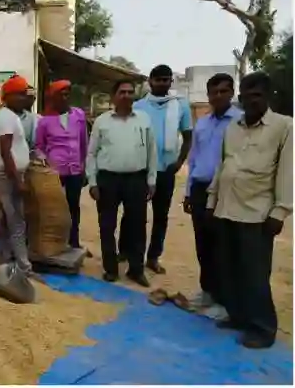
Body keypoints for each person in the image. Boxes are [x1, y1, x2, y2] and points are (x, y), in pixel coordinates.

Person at [208, 72, 292, 349]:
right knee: (230, 269)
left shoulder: (284, 127)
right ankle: (239, 316)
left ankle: (263, 328)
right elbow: (223, 166)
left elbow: (287, 173)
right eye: (245, 95)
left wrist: (280, 211)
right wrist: (212, 202)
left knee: (255, 274)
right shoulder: (233, 126)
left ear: (268, 96)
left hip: (257, 214)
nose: (250, 100)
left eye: (256, 95)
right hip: (226, 208)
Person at [86, 80, 157, 287]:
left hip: (136, 179)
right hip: (108, 179)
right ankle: (110, 269)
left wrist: (151, 179)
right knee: (107, 225)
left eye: (129, 92)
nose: (126, 95)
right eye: (121, 92)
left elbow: (151, 151)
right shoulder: (102, 121)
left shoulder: (143, 120)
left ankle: (136, 269)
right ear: (113, 96)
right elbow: (91, 153)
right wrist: (92, 181)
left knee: (137, 225)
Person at [182, 73, 242, 317]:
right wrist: (187, 192)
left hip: (226, 192)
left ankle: (225, 300)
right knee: (203, 244)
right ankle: (207, 292)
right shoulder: (203, 123)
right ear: (208, 95)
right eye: (214, 92)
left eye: (224, 91)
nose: (218, 96)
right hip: (199, 189)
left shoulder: (240, 122)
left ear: (232, 93)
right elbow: (194, 158)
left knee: (224, 246)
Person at [123, 64, 192, 274]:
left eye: (166, 79)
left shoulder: (180, 106)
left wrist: (179, 162)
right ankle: (125, 250)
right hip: (141, 169)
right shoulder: (139, 106)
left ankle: (153, 257)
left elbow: (188, 136)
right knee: (133, 214)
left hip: (166, 170)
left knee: (160, 216)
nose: (162, 83)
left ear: (171, 82)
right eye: (158, 79)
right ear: (150, 81)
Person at [0, 75, 37, 278]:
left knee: (6, 217)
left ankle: (1, 255)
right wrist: (18, 181)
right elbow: (5, 151)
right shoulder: (6, 118)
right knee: (17, 221)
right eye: (19, 94)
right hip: (9, 176)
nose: (23, 98)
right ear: (8, 97)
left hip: (13, 173)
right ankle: (24, 267)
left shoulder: (12, 116)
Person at [35, 80, 88, 249]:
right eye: (61, 94)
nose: (65, 98)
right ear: (53, 97)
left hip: (75, 170)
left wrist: (83, 166)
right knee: (55, 208)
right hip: (54, 172)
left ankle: (74, 242)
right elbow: (39, 146)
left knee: (74, 207)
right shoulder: (45, 121)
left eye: (67, 94)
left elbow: (83, 143)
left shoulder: (78, 115)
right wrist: (46, 162)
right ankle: (56, 242)